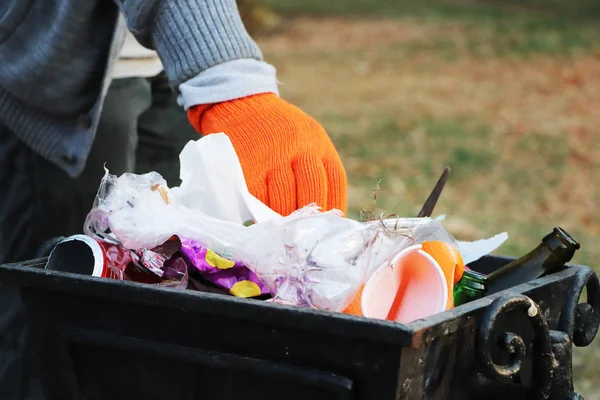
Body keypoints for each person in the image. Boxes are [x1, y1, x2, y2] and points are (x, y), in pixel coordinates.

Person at [0, 1, 347, 398]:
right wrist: (229, 78)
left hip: (170, 63)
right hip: (59, 65)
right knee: (49, 330)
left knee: (165, 308)